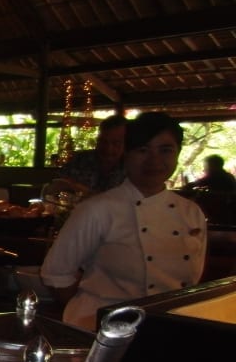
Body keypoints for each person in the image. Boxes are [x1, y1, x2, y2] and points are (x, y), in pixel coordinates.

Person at [40, 112, 207, 331]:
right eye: (142, 150)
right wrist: (91, 313)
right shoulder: (97, 209)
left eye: (165, 150)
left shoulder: (191, 213)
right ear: (126, 155)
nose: (154, 160)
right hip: (103, 330)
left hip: (168, 329)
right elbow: (56, 274)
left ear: (178, 154)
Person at [52, 115, 128, 197]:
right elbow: (55, 186)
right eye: (103, 141)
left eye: (116, 143)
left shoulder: (131, 168)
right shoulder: (79, 160)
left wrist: (80, 189)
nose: (109, 149)